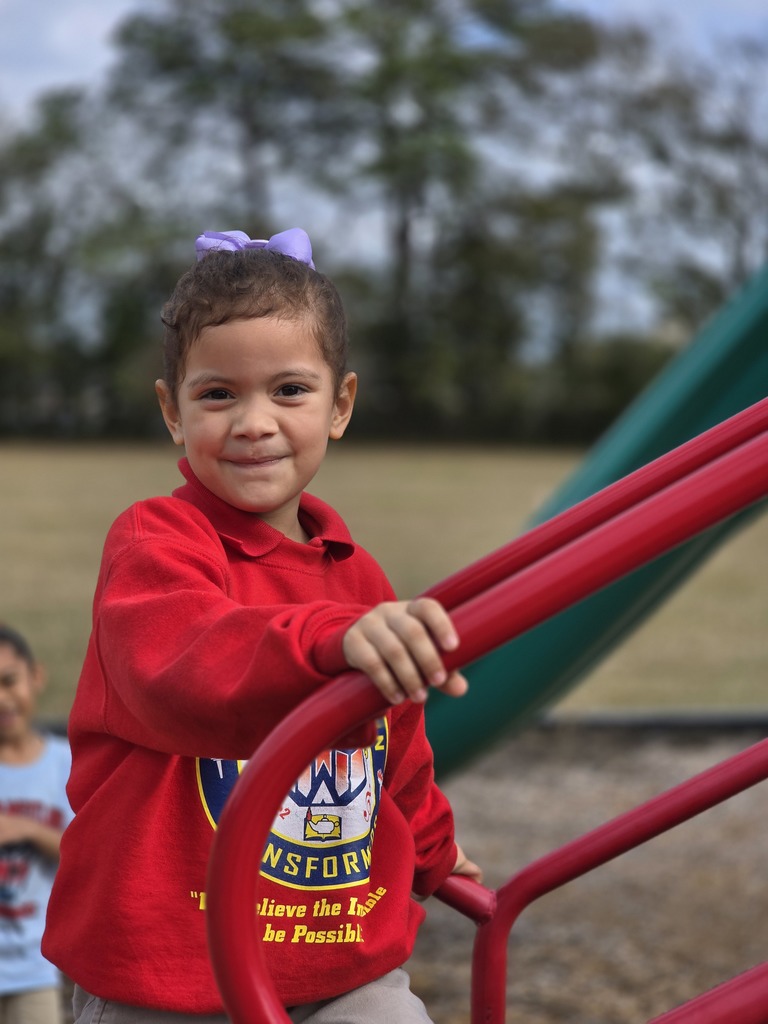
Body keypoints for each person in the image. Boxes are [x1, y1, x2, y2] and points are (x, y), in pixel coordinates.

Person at [43, 227, 481, 1023]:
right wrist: (327, 639)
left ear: (340, 404)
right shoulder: (155, 544)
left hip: (341, 960)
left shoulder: (359, 576)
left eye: (288, 391)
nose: (253, 422)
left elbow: (400, 748)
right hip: (168, 965)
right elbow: (182, 668)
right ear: (173, 412)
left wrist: (433, 850)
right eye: (218, 395)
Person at [0, 624, 72, 1024]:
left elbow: (85, 853)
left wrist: (27, 830)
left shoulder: (64, 763)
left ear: (36, 676)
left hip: (34, 969)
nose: (1, 699)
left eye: (9, 681)